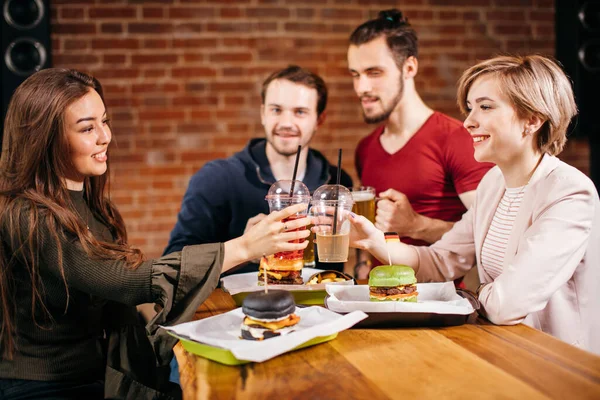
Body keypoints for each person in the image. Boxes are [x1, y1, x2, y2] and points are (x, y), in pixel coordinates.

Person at [0, 68, 310, 399]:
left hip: (97, 374)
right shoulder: (26, 214)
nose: (104, 136)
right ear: (45, 138)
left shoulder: (92, 206)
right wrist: (244, 247)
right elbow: (124, 281)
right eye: (87, 128)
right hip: (44, 386)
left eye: (104, 121)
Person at [348, 54, 600, 355]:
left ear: (532, 120)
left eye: (485, 107)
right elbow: (441, 261)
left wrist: (471, 294)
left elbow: (508, 305)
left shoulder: (569, 192)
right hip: (505, 350)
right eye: (470, 108)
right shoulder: (493, 183)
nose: (468, 122)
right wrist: (374, 242)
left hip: (556, 363)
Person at [164, 65, 352, 274]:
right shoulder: (217, 178)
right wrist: (244, 249)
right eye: (276, 110)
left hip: (318, 305)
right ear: (263, 113)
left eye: (300, 112)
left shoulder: (337, 181)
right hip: (236, 305)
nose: (286, 123)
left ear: (319, 120)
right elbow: (173, 264)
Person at [347, 9, 492, 279]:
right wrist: (362, 265)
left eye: (373, 72)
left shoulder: (457, 138)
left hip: (435, 306)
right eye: (355, 74)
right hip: (376, 300)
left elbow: (490, 237)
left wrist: (416, 225)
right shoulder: (365, 148)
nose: (361, 87)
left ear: (409, 67)